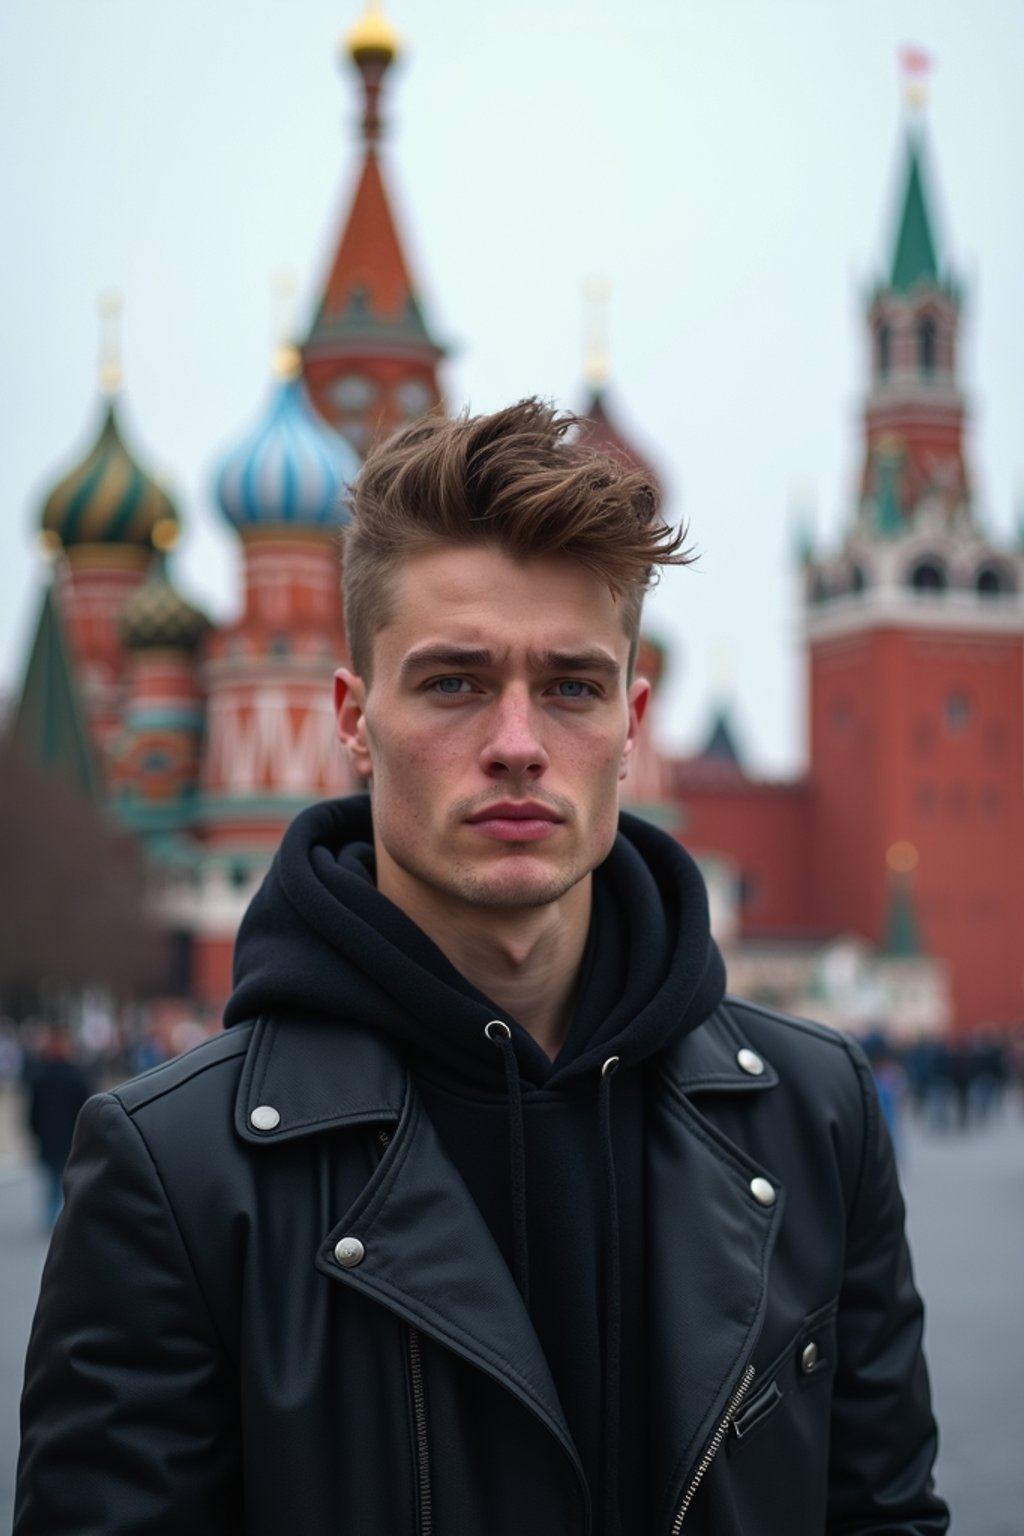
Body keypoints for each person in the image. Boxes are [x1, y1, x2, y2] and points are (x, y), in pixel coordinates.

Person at [16, 400, 948, 1535]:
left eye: (570, 686)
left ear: (630, 721)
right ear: (353, 720)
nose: (516, 741)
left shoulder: (814, 1119)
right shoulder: (178, 1172)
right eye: (454, 682)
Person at [22, 1026, 91, 1230]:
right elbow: (86, 1108)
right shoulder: (77, 1076)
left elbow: (32, 1111)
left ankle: (53, 1217)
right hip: (70, 1136)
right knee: (64, 1180)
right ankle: (60, 1218)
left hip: (48, 1138)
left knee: (53, 1180)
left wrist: (35, 1132)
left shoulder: (40, 1076)